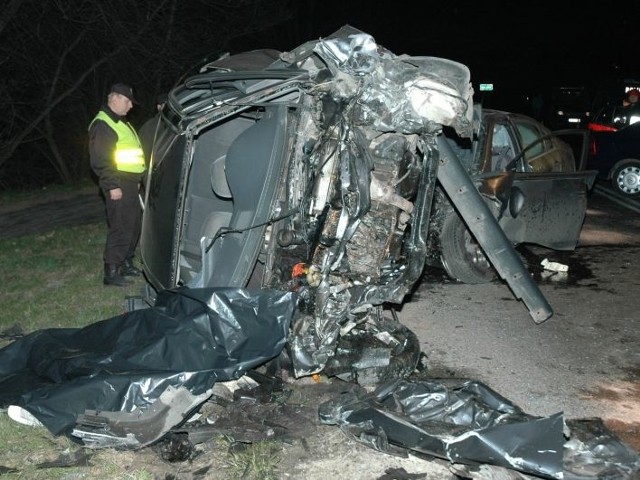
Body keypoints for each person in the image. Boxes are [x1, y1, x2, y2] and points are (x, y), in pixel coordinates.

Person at [89, 83, 146, 286]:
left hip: (128, 181)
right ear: (114, 98)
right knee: (120, 225)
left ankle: (126, 262)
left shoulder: (119, 121)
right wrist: (113, 185)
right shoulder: (103, 123)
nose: (130, 105)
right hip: (117, 181)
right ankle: (112, 271)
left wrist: (136, 179)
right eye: (128, 100)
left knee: (133, 224)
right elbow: (101, 158)